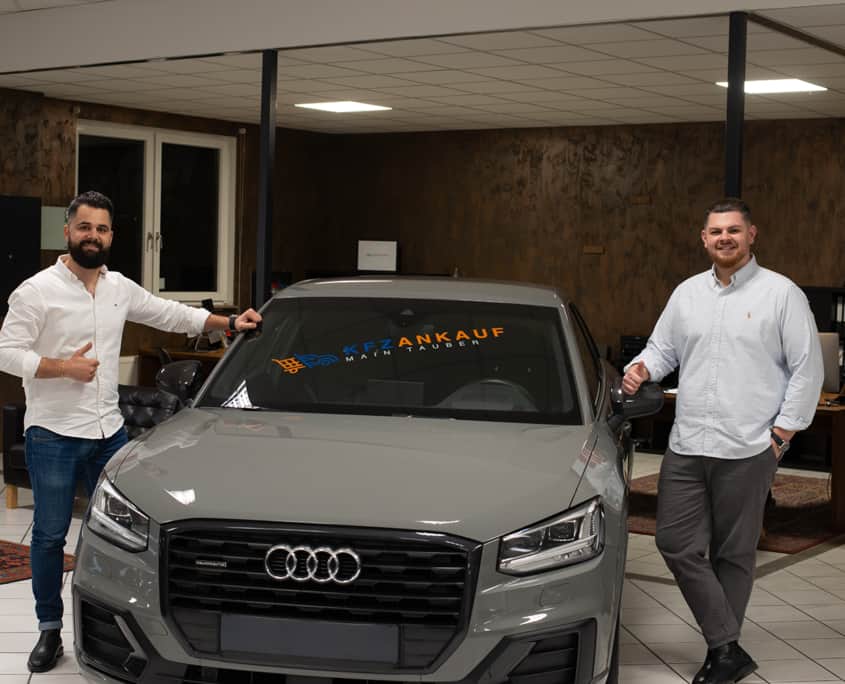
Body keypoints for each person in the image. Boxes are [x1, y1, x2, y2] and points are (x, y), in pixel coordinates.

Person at [0, 190, 262, 672]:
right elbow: (6, 351)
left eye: (101, 229)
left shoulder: (118, 287)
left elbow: (169, 313)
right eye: (84, 227)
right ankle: (48, 630)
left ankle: (116, 626)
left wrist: (228, 321)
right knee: (50, 537)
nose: (93, 236)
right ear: (67, 231)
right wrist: (61, 367)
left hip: (109, 435)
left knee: (118, 536)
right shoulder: (36, 290)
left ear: (111, 236)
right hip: (54, 435)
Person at [623, 198, 823, 684]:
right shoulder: (687, 293)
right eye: (716, 231)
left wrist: (782, 434)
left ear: (752, 234)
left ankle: (721, 654)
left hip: (748, 447)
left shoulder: (782, 294)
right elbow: (663, 348)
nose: (724, 238)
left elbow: (807, 369)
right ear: (704, 239)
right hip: (688, 442)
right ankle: (727, 647)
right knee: (674, 542)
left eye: (733, 230)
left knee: (733, 554)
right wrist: (642, 368)